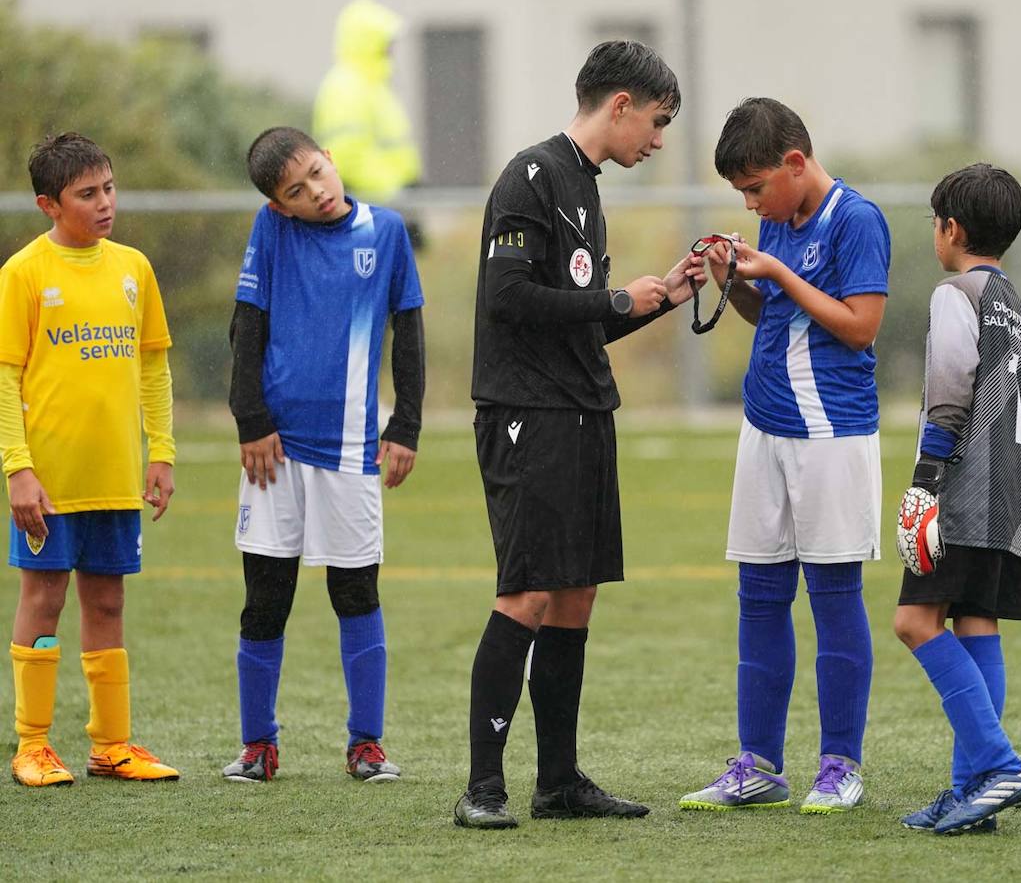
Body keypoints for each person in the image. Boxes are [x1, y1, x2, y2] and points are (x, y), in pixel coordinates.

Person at [455, 40, 705, 829]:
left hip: (584, 411)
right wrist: (618, 301)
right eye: (657, 122)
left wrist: (662, 296)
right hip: (528, 415)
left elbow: (581, 324)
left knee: (575, 596)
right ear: (620, 104)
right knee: (526, 593)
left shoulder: (586, 189)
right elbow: (507, 298)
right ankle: (482, 790)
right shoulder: (532, 174)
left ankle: (557, 782)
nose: (658, 141)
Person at [678, 98, 889, 815]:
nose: (750, 200)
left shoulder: (857, 220)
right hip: (764, 425)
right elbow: (771, 314)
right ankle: (759, 764)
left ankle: (841, 765)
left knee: (833, 598)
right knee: (760, 597)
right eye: (741, 192)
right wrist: (732, 277)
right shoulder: (777, 218)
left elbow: (861, 328)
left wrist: (778, 271)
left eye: (756, 186)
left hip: (832, 431)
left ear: (795, 163)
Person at [222, 126, 425, 783]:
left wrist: (408, 427)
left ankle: (366, 743)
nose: (316, 191)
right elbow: (246, 328)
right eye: (296, 190)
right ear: (279, 205)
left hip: (352, 449)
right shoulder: (271, 230)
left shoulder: (386, 231)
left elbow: (409, 334)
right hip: (273, 449)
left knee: (355, 591)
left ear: (331, 160)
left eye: (316, 173)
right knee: (265, 597)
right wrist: (250, 419)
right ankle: (259, 745)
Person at [1, 132, 179, 786]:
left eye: (109, 188)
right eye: (87, 194)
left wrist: (160, 453)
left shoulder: (133, 268)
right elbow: (4, 378)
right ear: (49, 203)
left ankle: (112, 745)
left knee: (107, 604)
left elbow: (153, 367)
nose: (104, 204)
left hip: (113, 478)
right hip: (48, 482)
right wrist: (17, 468)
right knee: (43, 599)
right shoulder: (23, 274)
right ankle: (33, 744)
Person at [893, 163, 1021, 835]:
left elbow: (952, 388)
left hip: (964, 489)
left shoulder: (956, 294)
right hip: (1009, 494)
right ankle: (972, 791)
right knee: (976, 624)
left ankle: (1001, 763)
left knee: (915, 622)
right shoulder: (1014, 300)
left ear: (950, 228)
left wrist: (925, 482)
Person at [313, 0, 421, 207]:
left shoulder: (373, 84)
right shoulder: (346, 87)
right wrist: (394, 194)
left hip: (388, 205)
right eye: (386, 41)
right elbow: (347, 157)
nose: (391, 48)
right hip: (372, 207)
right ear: (370, 41)